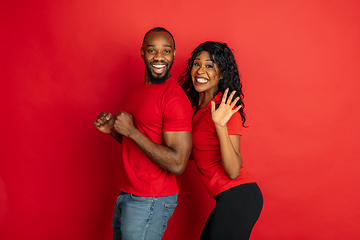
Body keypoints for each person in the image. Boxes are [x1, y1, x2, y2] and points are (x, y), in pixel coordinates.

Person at [94, 27, 193, 240]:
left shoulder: (174, 100)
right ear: (142, 53)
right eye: (152, 50)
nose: (159, 57)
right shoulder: (138, 90)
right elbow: (138, 142)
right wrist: (114, 130)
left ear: (174, 54)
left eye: (166, 51)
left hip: (150, 199)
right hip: (128, 193)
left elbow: (178, 163)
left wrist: (130, 130)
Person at [180, 41, 263, 240]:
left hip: (239, 195)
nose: (200, 70)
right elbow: (193, 154)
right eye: (197, 64)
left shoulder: (225, 109)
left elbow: (234, 170)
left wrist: (220, 126)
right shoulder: (195, 109)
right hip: (227, 197)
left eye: (209, 66)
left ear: (222, 73)